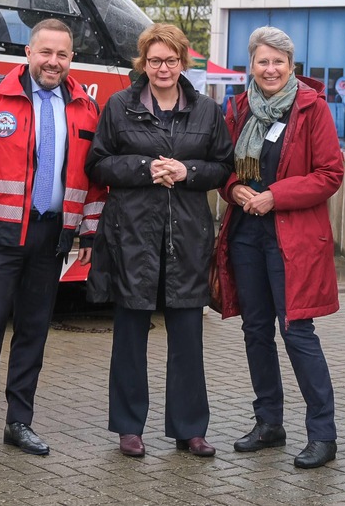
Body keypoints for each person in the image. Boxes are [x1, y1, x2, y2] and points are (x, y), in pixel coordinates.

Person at [0, 18, 106, 463]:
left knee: (33, 331)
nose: (53, 61)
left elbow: (93, 182)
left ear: (71, 59)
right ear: (29, 53)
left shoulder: (85, 108)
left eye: (63, 54)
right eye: (45, 52)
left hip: (52, 236)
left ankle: (19, 422)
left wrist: (88, 229)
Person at [86, 23, 233, 459]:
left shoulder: (207, 110)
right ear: (143, 63)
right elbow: (98, 164)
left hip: (187, 238)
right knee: (130, 336)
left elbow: (223, 166)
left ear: (183, 62)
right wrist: (144, 167)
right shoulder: (119, 106)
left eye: (170, 60)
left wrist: (189, 173)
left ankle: (190, 429)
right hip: (133, 237)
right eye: (154, 61)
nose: (162, 68)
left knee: (187, 338)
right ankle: (129, 427)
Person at [211, 27, 344, 469]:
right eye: (262, 61)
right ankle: (269, 423)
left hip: (293, 239)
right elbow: (224, 166)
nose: (270, 69)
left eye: (278, 62)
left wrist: (276, 195)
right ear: (252, 65)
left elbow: (330, 174)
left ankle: (323, 435)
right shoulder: (240, 107)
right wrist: (235, 190)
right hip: (247, 234)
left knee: (297, 333)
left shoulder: (312, 108)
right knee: (255, 332)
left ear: (292, 66)